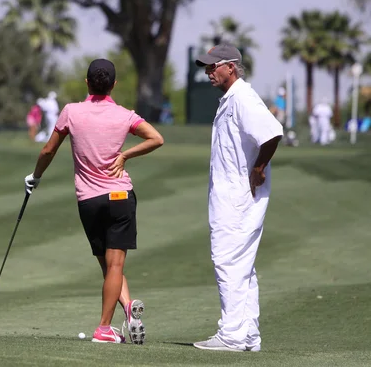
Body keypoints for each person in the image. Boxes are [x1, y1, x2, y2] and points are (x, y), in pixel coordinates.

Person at [24, 59, 164, 344]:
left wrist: (35, 176)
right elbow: (156, 138)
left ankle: (123, 311)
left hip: (89, 201)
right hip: (120, 197)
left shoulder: (71, 112)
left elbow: (49, 150)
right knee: (115, 267)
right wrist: (125, 155)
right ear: (113, 85)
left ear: (87, 82)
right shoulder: (125, 115)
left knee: (108, 267)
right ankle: (107, 325)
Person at [192, 43, 283, 352]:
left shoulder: (242, 97)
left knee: (228, 260)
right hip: (232, 193)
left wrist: (259, 168)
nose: (207, 72)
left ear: (230, 67)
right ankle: (248, 335)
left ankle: (231, 334)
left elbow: (272, 133)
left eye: (212, 66)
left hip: (238, 196)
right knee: (242, 266)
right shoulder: (230, 99)